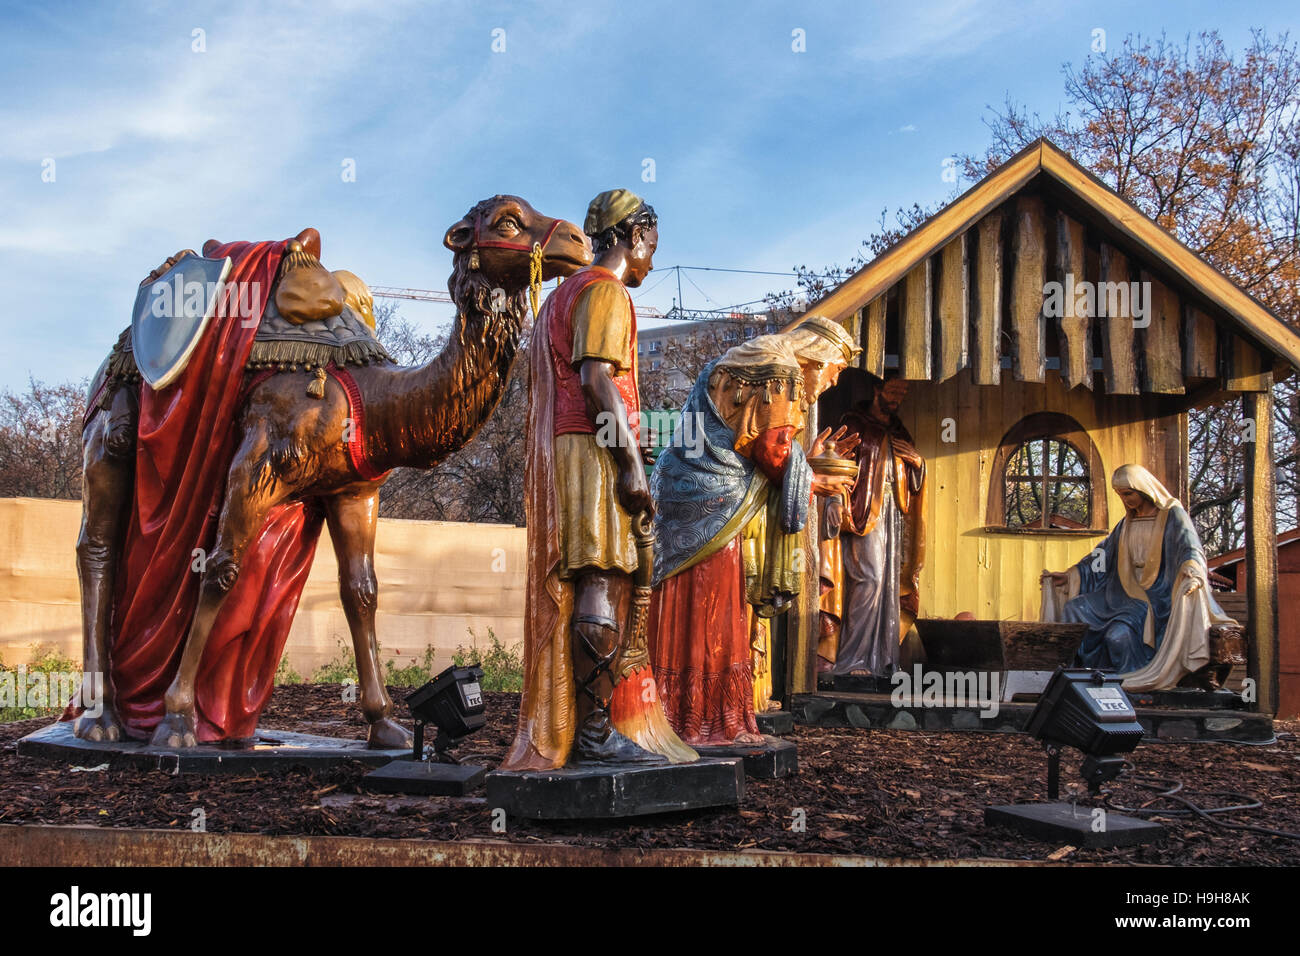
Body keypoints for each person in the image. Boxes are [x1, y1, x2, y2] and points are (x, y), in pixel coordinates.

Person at [501, 189, 695, 771]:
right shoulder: (605, 292)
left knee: (599, 580)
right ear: (634, 237)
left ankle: (590, 729)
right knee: (600, 581)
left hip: (574, 446)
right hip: (594, 447)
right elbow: (597, 381)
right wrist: (632, 462)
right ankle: (592, 734)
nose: (652, 263)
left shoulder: (562, 296)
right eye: (652, 248)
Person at [648, 316, 859, 745]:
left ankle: (665, 712)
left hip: (678, 488)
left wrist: (804, 464)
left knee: (678, 604)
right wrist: (814, 481)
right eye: (835, 372)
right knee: (713, 608)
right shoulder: (781, 372)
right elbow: (771, 451)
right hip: (717, 506)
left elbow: (737, 440)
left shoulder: (740, 357)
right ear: (818, 357)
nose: (830, 384)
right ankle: (707, 723)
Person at [1042, 464, 1239, 691]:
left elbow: (1190, 547)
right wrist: (1070, 575)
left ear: (1144, 489)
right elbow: (1101, 555)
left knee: (1118, 636)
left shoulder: (1172, 514)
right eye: (1120, 495)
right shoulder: (1127, 522)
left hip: (1156, 596)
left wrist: (1192, 571)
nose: (1125, 500)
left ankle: (1128, 681)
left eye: (1128, 494)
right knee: (1074, 609)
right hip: (1119, 592)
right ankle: (1079, 677)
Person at [821, 373, 926, 679]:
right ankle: (853, 659)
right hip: (863, 515)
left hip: (893, 514)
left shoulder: (898, 430)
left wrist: (918, 464)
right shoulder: (854, 424)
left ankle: (881, 659)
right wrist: (837, 501)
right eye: (892, 392)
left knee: (889, 585)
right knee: (869, 580)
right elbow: (837, 463)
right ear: (877, 390)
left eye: (901, 395)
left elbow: (913, 473)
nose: (896, 400)